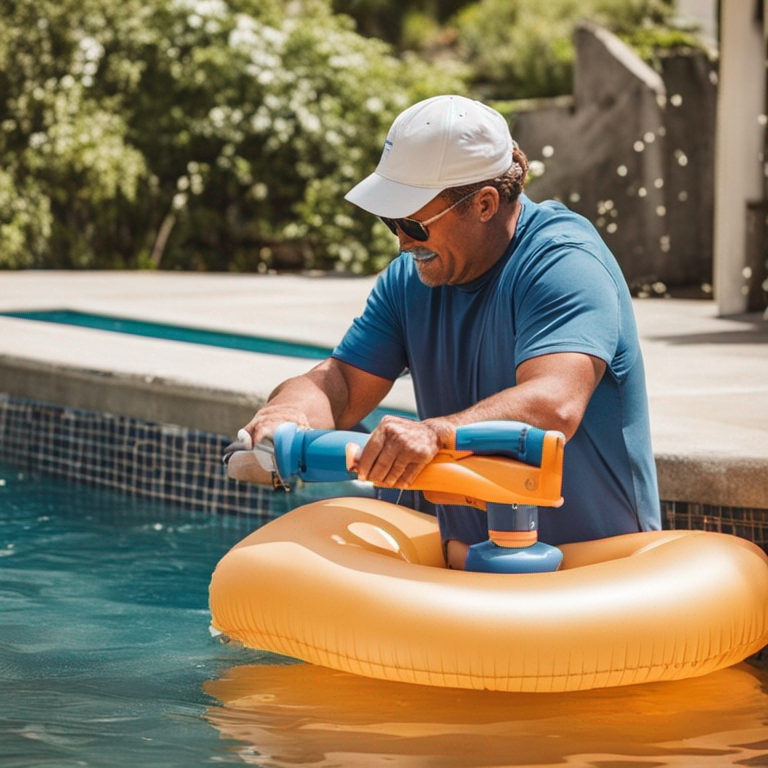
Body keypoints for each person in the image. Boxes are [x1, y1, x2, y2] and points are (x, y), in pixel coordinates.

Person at [242, 94, 661, 568]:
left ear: (484, 203)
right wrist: (288, 413)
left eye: (413, 223)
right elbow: (339, 383)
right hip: (469, 570)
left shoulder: (563, 262)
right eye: (389, 221)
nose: (401, 241)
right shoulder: (410, 281)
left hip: (592, 574)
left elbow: (554, 404)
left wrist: (437, 433)